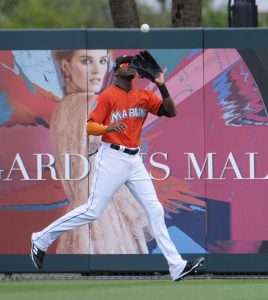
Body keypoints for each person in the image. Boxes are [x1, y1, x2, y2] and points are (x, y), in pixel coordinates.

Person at [31, 54, 204, 281]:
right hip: (112, 156)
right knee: (93, 209)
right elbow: (90, 127)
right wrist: (108, 128)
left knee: (155, 210)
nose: (131, 68)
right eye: (126, 65)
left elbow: (170, 111)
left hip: (134, 160)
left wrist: (161, 86)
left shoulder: (143, 96)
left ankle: (177, 266)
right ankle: (41, 238)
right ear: (117, 71)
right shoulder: (108, 97)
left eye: (133, 65)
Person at [49, 49, 152, 254]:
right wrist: (136, 214)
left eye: (103, 61)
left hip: (77, 219)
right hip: (106, 218)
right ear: (66, 66)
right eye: (87, 61)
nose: (97, 70)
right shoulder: (97, 104)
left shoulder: (60, 110)